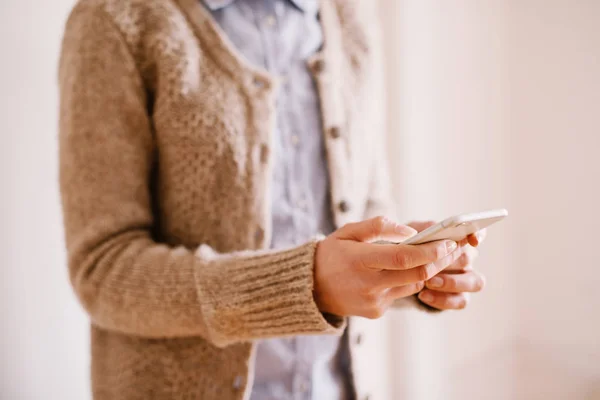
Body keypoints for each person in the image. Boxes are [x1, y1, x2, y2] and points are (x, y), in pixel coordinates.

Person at [58, 0, 486, 399]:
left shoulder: (349, 15)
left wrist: (411, 269)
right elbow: (103, 268)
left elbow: (368, 207)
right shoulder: (115, 19)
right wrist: (306, 286)